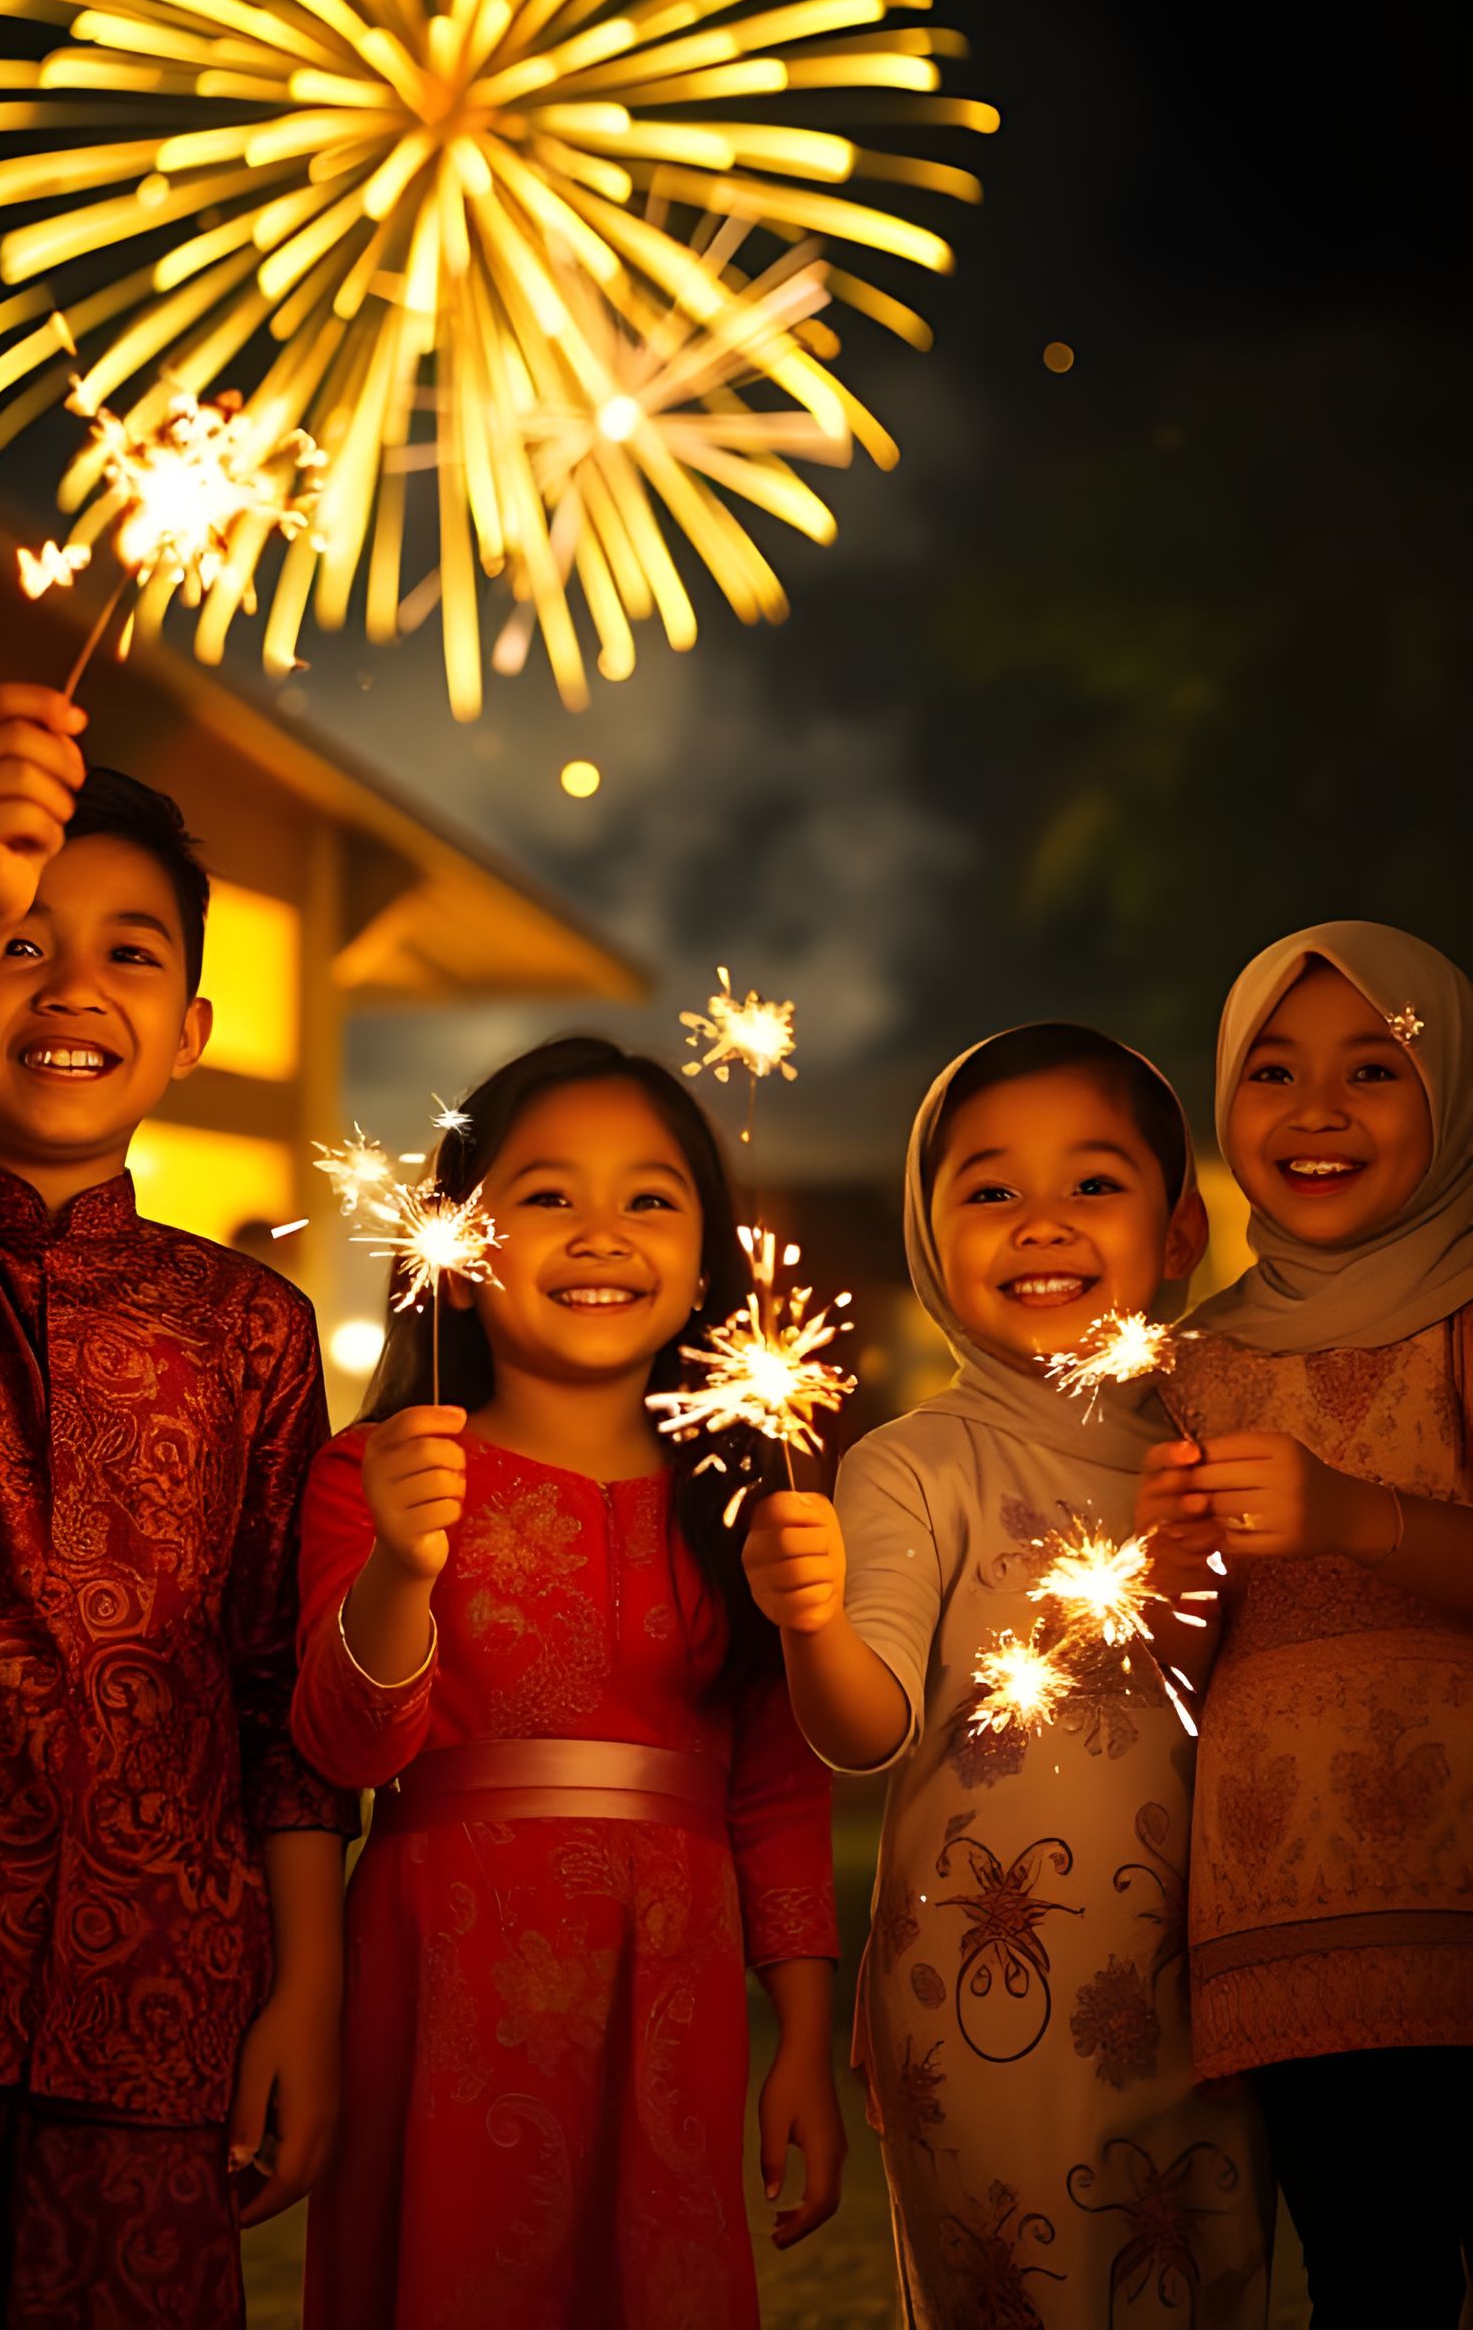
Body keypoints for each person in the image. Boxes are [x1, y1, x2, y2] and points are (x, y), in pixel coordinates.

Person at [0, 683, 351, 2329]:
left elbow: (279, 1692)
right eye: (19, 941)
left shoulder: (251, 1330)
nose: (71, 983)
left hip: (157, 1995)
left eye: (128, 952)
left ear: (194, 1027)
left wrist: (307, 1991)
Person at [292, 1035, 843, 2330]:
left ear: (706, 1261)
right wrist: (402, 1566)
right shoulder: (375, 1472)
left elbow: (778, 1790)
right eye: (548, 1195)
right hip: (440, 1971)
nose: (602, 1233)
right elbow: (343, 1749)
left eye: (649, 1197)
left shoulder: (751, 1501)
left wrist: (806, 2040)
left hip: (674, 1980)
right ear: (460, 1250)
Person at [743, 1023, 1272, 2329]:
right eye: (990, 1191)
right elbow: (863, 1730)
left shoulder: (1235, 1448)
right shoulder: (914, 1467)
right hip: (982, 1995)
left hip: (1207, 1981)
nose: (1042, 1222)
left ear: (1182, 1230)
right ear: (928, 1239)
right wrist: (811, 1625)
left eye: (1093, 1182)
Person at [1139, 923, 1473, 2326]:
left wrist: (1355, 1516)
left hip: (1456, 1898)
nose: (1317, 1110)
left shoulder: (1464, 1318)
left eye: (1374, 1071)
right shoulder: (1191, 1365)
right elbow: (1176, 1669)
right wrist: (1170, 1571)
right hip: (1286, 1924)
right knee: (1370, 2279)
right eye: (1272, 1071)